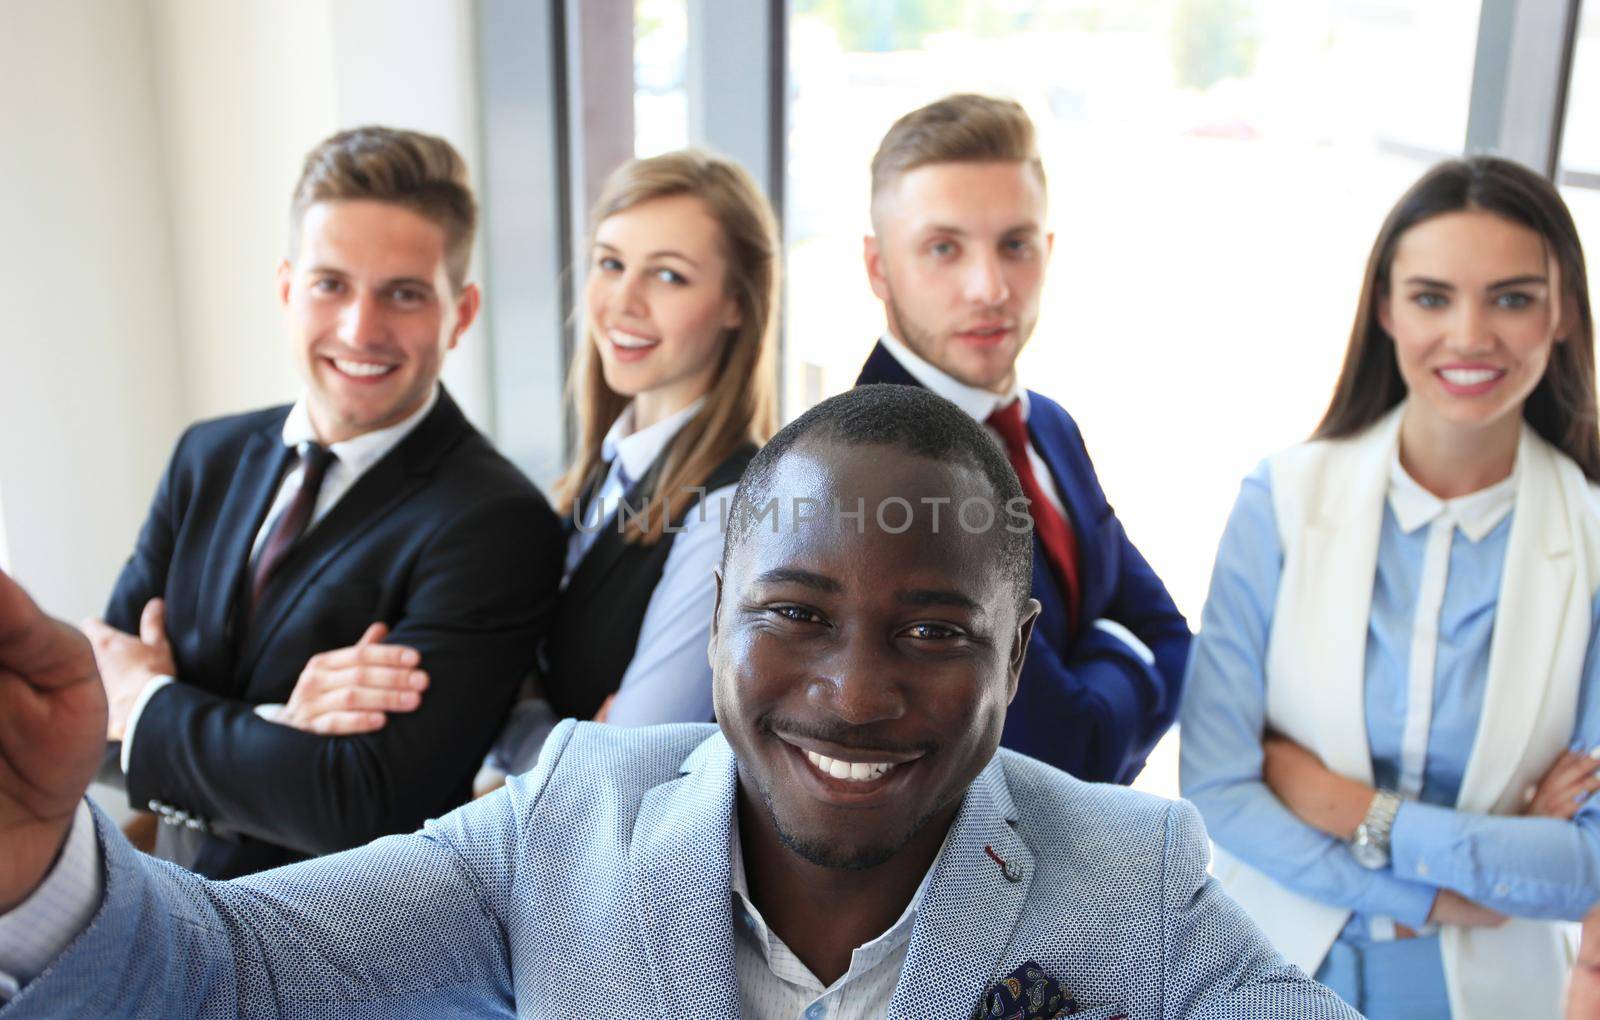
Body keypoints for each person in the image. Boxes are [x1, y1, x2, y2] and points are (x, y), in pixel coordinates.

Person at [0, 386, 1356, 1017]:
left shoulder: (1137, 880)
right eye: (795, 614)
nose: (855, 690)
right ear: (712, 621)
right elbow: (237, 974)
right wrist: (37, 872)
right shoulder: (560, 823)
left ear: (1015, 662)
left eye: (936, 631)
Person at [80, 125, 565, 879]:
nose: (359, 329)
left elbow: (363, 802)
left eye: (403, 294)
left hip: (342, 956)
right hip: (168, 904)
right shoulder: (205, 456)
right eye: (329, 284)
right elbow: (87, 719)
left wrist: (151, 700)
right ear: (286, 289)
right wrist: (277, 727)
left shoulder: (497, 522)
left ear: (460, 314)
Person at [1180, 156, 1600, 1019]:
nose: (1472, 335)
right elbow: (1220, 789)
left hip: (1484, 992)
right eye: (1433, 297)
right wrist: (1457, 881)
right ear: (1383, 308)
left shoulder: (1593, 536)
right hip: (1272, 966)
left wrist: (1354, 809)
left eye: (1513, 298)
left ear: (1561, 314)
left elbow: (1586, 866)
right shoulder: (1282, 499)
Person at [273, 151, 780, 794]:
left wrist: (513, 732)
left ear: (738, 302)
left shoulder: (727, 510)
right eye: (611, 263)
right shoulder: (600, 479)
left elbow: (621, 773)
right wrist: (545, 731)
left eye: (670, 277)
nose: (624, 302)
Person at [853, 93, 1190, 784]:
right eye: (943, 249)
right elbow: (1067, 750)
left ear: (1048, 251)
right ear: (879, 268)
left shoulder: (1050, 426)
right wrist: (1120, 655)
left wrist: (1104, 667)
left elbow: (1177, 642)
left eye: (1015, 245)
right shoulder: (872, 469)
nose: (990, 287)